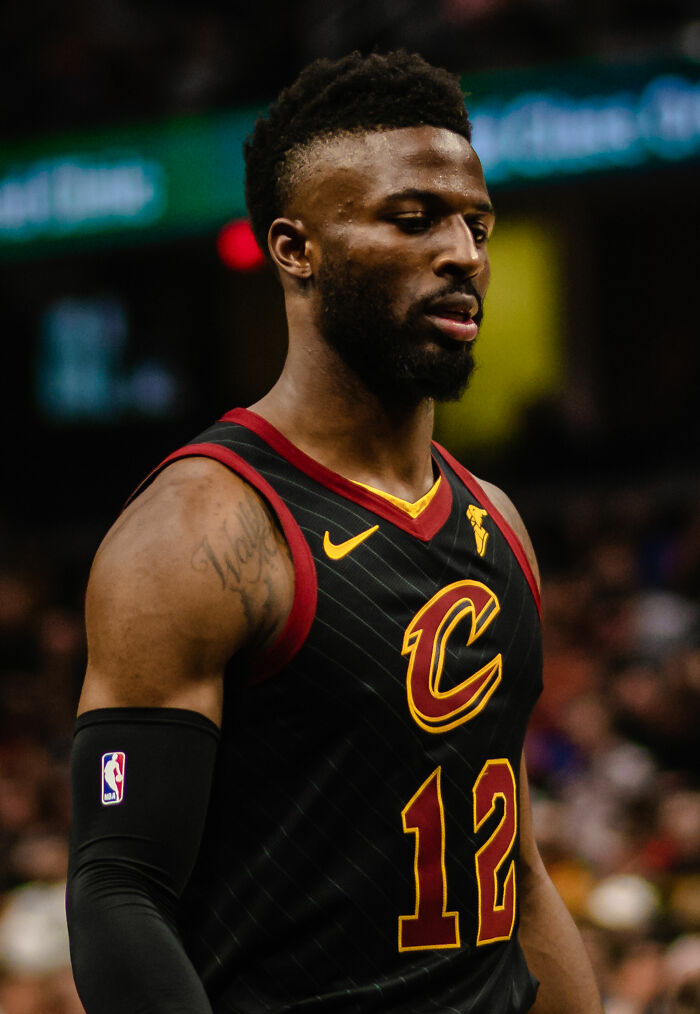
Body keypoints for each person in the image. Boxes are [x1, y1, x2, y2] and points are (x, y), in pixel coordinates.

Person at [66, 51, 602, 1014]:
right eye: (414, 219)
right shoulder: (198, 528)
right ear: (294, 248)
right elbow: (118, 896)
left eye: (475, 223)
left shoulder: (497, 521)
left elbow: (515, 880)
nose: (462, 252)